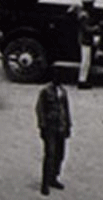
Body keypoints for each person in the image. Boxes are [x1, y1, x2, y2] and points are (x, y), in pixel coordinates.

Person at [35, 68, 71, 196]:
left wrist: (68, 126)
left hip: (61, 126)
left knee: (60, 154)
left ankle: (54, 177)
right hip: (50, 127)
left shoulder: (63, 92)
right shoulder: (45, 92)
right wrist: (42, 126)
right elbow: (40, 110)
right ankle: (45, 183)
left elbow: (66, 110)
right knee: (50, 154)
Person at [70, 0, 100, 89]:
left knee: (86, 61)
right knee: (85, 62)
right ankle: (82, 80)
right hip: (85, 40)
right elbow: (86, 28)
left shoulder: (82, 15)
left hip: (84, 40)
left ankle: (83, 79)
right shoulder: (84, 16)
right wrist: (96, 28)